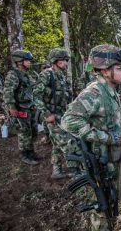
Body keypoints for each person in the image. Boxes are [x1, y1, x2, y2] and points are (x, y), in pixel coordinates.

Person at [61, 44, 121, 231]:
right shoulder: (94, 92)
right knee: (100, 207)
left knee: (112, 200)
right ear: (105, 70)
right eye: (119, 68)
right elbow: (68, 121)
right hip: (100, 161)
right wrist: (105, 137)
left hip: (112, 159)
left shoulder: (110, 89)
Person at [33, 48, 74, 179]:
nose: (66, 63)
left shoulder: (61, 76)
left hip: (63, 114)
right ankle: (76, 171)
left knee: (57, 144)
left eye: (66, 60)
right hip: (52, 115)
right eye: (63, 60)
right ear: (55, 61)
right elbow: (36, 96)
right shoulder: (46, 75)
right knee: (66, 144)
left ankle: (56, 170)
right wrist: (46, 114)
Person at [3, 50, 39, 165]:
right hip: (20, 108)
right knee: (24, 132)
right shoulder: (13, 75)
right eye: (27, 60)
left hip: (29, 107)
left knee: (32, 130)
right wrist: (12, 107)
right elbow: (8, 92)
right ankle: (25, 154)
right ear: (19, 62)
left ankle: (31, 152)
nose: (29, 62)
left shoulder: (27, 74)